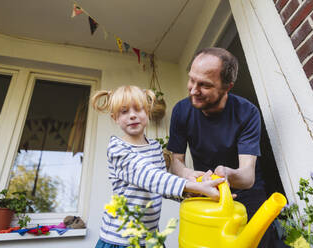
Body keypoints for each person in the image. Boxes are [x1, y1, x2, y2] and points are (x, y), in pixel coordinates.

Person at [167, 47, 275, 247]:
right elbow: (176, 162)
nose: (193, 90)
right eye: (191, 79)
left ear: (227, 87)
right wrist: (191, 176)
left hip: (246, 194)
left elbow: (247, 176)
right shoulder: (181, 111)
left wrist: (226, 174)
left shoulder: (248, 113)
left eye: (204, 85)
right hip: (206, 192)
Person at [91, 85, 224, 248]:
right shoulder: (117, 148)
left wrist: (194, 191)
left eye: (138, 109)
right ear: (115, 118)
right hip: (120, 239)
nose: (132, 115)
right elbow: (150, 177)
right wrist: (193, 185)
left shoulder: (155, 148)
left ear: (147, 112)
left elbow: (162, 186)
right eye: (124, 111)